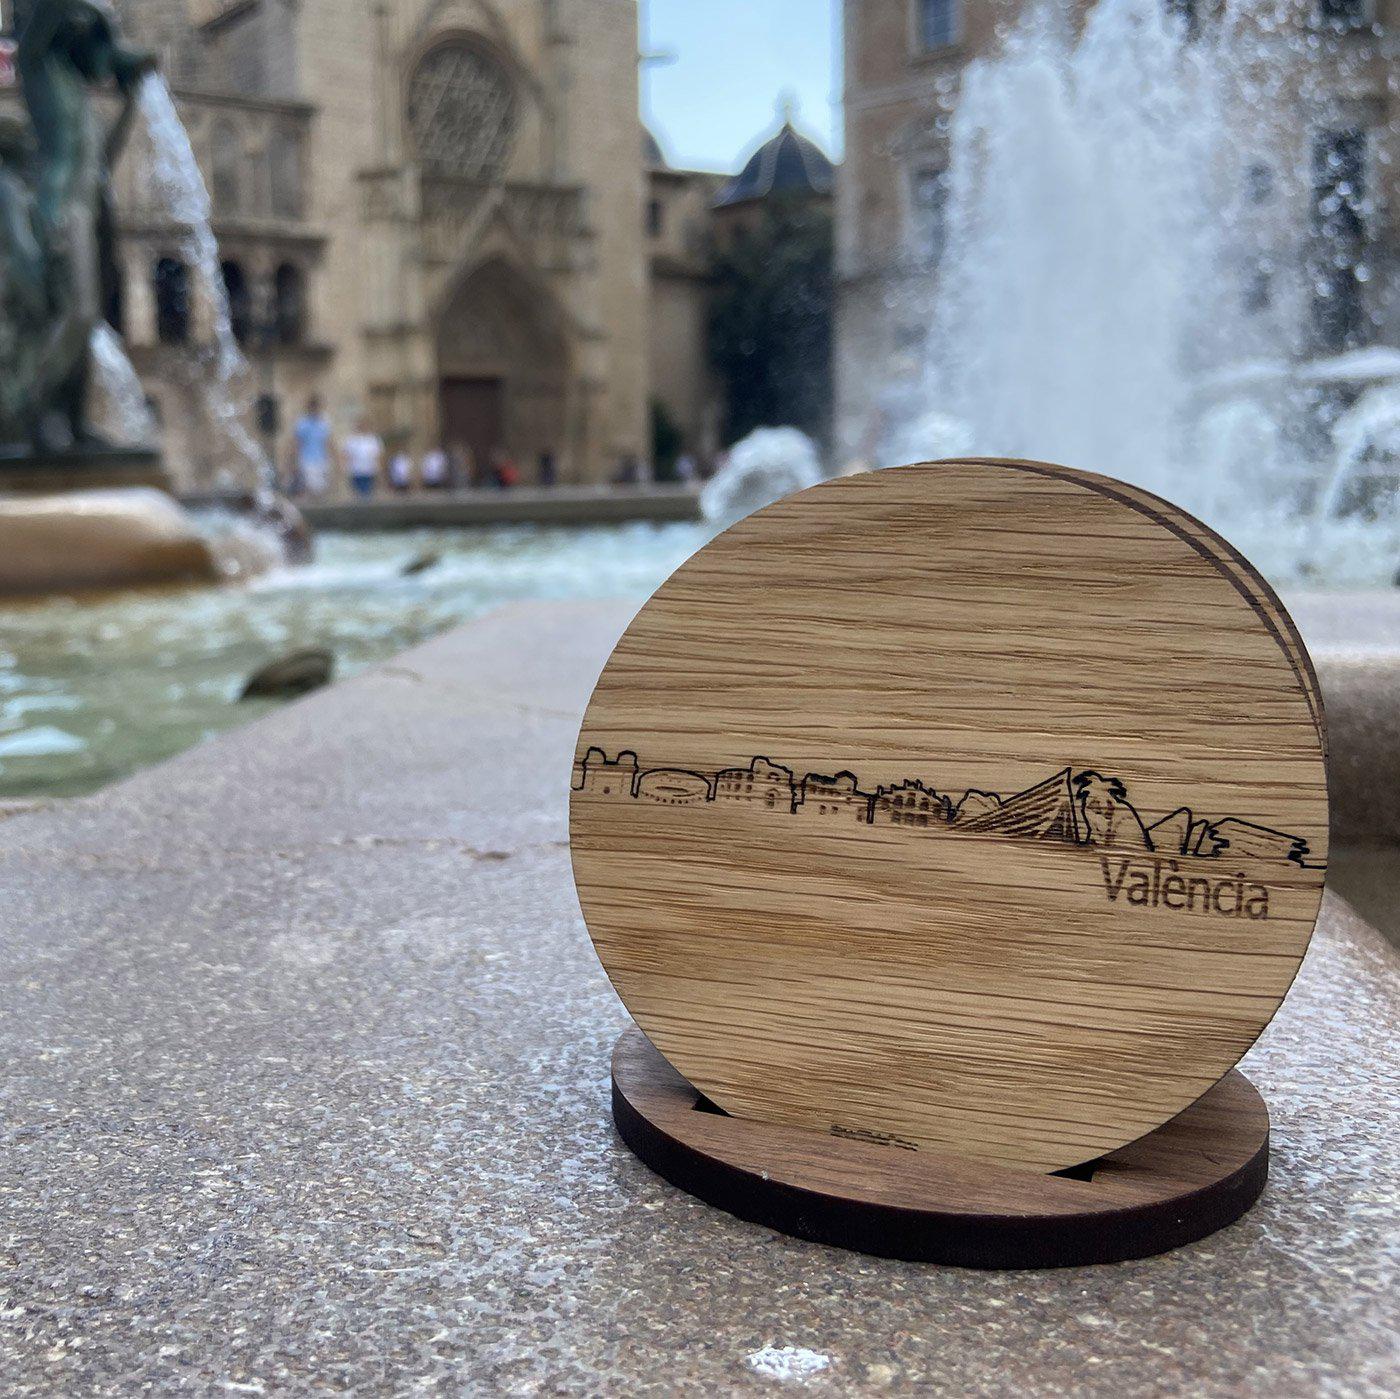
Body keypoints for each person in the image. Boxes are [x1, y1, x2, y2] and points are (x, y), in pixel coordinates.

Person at [292, 395, 333, 498]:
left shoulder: (324, 423)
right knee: (311, 486)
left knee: (322, 488)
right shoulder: (303, 423)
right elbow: (297, 443)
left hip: (322, 459)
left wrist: (334, 457)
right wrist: (294, 460)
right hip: (308, 460)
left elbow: (329, 441)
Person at [342, 419, 383, 499]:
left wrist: (379, 469)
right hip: (356, 472)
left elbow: (378, 456)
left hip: (370, 471)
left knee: (368, 494)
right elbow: (345, 455)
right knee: (358, 495)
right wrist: (344, 468)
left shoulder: (373, 439)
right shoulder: (351, 440)